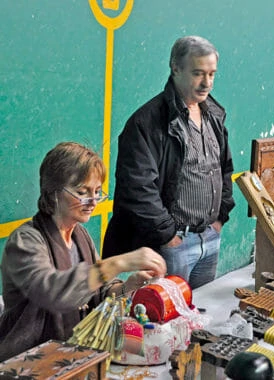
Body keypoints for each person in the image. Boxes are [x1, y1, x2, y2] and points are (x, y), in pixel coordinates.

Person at [0, 142, 167, 361]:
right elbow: (53, 293)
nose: (93, 202)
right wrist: (117, 263)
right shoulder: (25, 242)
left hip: (73, 354)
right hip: (29, 360)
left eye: (97, 192)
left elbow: (96, 294)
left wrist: (127, 286)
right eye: (82, 192)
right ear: (54, 193)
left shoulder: (80, 236)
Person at [102, 35, 235, 290]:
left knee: (199, 317)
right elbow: (138, 189)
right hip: (172, 246)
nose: (207, 82)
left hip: (210, 239)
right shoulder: (145, 123)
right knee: (165, 322)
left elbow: (224, 169)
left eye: (212, 74)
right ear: (175, 68)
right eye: (198, 73)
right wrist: (168, 235)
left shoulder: (215, 116)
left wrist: (220, 218)